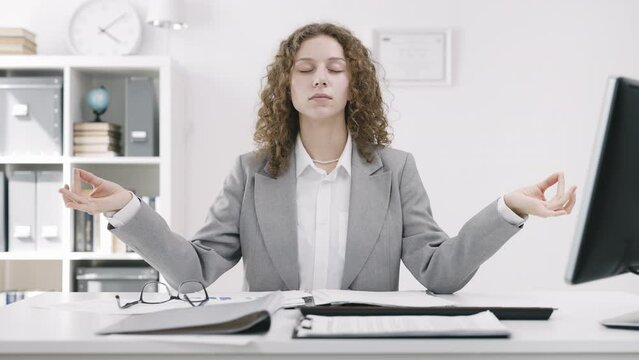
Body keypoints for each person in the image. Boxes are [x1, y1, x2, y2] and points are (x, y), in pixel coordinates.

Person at [59, 23, 577, 294]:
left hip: (364, 349)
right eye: (305, 69)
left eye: (335, 68)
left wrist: (509, 208)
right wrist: (126, 207)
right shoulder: (251, 172)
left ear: (355, 86)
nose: (321, 78)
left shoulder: (396, 170)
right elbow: (194, 272)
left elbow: (439, 273)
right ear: (287, 87)